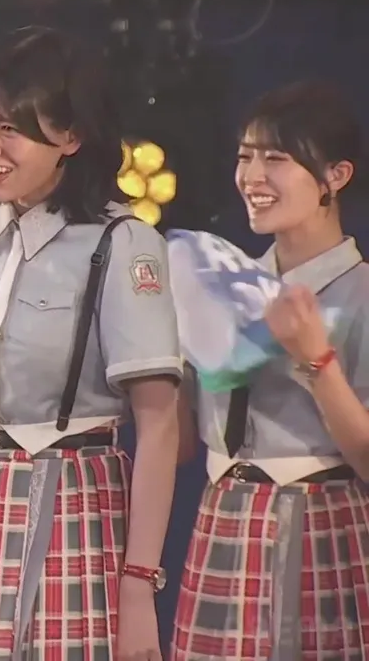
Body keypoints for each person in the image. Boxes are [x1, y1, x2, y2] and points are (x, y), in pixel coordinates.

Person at [0, 26, 181, 660]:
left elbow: (160, 425)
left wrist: (138, 587)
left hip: (75, 503)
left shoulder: (121, 243)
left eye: (10, 129)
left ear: (71, 137)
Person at [171, 80, 369, 659]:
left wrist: (317, 358)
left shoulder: (360, 293)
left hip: (324, 522)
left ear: (336, 175)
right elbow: (181, 445)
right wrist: (173, 354)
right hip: (223, 516)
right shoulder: (225, 285)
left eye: (276, 159)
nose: (253, 177)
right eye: (245, 157)